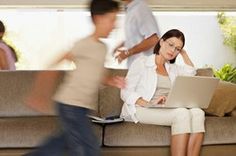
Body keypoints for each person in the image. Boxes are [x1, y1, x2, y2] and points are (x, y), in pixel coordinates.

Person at [24, 0, 125, 156]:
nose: (115, 25)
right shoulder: (84, 44)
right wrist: (39, 95)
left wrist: (111, 81)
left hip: (81, 107)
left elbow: (98, 75)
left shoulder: (102, 48)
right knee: (88, 147)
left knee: (62, 143)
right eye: (112, 19)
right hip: (69, 105)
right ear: (98, 19)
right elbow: (52, 67)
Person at [120, 29, 205, 156]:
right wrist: (148, 103)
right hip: (140, 108)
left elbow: (191, 72)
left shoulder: (173, 69)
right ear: (161, 42)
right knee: (182, 114)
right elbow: (125, 91)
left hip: (162, 107)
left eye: (177, 49)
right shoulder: (142, 62)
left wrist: (184, 53)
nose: (173, 51)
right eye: (171, 45)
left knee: (198, 113)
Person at [115, 0, 160, 67]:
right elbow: (138, 38)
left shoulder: (140, 8)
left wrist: (127, 53)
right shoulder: (131, 9)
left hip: (145, 70)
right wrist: (124, 44)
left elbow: (153, 39)